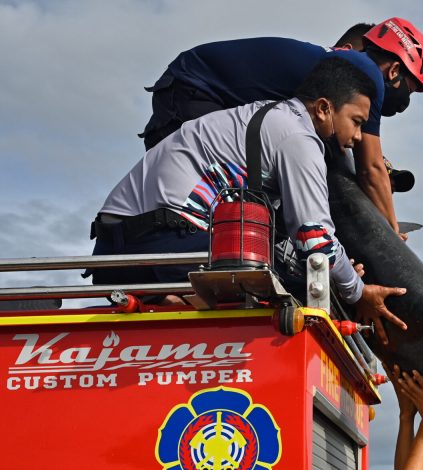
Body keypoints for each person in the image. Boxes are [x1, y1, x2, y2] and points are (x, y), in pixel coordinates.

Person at [92, 58, 406, 340]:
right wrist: (358, 291)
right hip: (160, 242)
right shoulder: (299, 138)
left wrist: (335, 267)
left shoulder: (263, 115)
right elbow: (316, 240)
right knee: (294, 287)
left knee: (290, 267)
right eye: (357, 122)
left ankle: (171, 307)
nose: (359, 137)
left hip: (114, 249)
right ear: (324, 108)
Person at [140, 18, 423, 236]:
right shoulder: (364, 71)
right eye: (409, 89)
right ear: (394, 70)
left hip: (195, 88)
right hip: (193, 89)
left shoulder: (339, 73)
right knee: (209, 205)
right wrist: (391, 235)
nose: (405, 100)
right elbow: (371, 170)